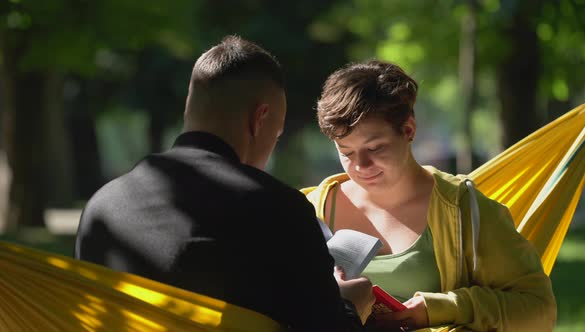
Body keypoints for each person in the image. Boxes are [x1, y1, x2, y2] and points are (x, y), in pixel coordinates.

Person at [74, 36, 375, 331]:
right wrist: (351, 306)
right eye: (278, 133)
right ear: (259, 119)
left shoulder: (102, 207)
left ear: (189, 110)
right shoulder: (276, 209)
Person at [303, 60, 557, 331]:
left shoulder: (462, 208)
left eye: (375, 148)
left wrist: (440, 309)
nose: (360, 166)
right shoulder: (310, 209)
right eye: (346, 152)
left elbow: (538, 309)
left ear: (408, 130)